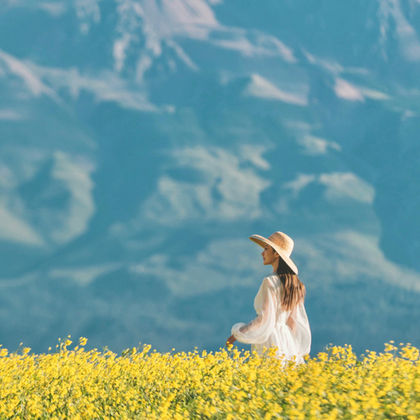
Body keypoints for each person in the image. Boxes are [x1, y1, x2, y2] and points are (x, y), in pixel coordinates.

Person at [226, 231, 311, 364]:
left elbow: (264, 319)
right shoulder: (297, 285)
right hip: (287, 341)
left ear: (276, 253)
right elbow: (293, 322)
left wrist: (237, 334)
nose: (262, 253)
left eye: (266, 249)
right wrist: (291, 347)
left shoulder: (270, 282)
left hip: (270, 341)